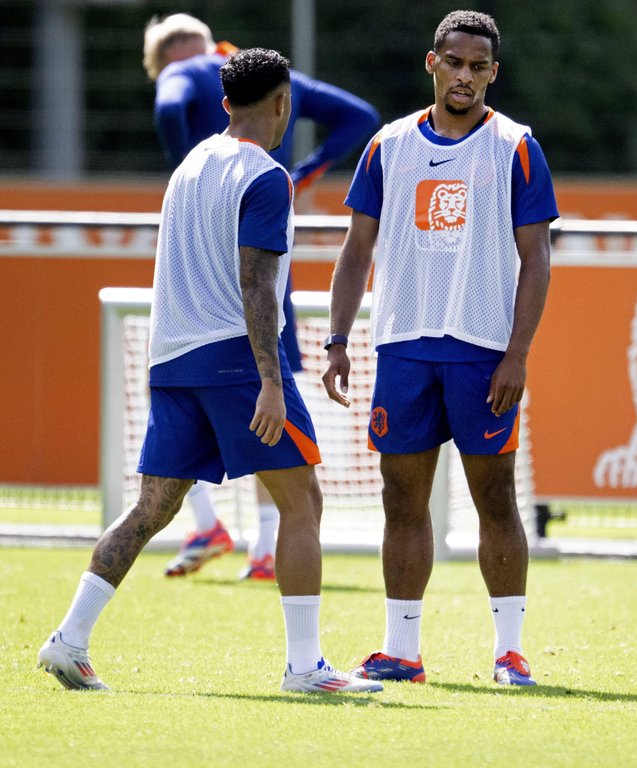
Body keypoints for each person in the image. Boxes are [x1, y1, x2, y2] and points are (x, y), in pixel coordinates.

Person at [37, 49, 380, 694]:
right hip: (236, 364)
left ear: (225, 104)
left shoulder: (188, 167)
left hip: (172, 359)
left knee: (150, 510)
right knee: (302, 500)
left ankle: (69, 639)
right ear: (284, 104)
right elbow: (256, 284)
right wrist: (272, 381)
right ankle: (305, 667)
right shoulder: (267, 176)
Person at [323, 10, 556, 687]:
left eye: (478, 67)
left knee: (495, 498)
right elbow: (355, 250)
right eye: (454, 63)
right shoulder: (387, 145)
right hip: (402, 345)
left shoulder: (515, 145)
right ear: (433, 63)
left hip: (483, 350)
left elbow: (537, 258)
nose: (465, 76)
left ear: (493, 73)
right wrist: (338, 339)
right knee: (401, 499)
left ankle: (509, 651)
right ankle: (402, 651)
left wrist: (517, 353)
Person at [143, 13, 381, 582]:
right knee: (283, 451)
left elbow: (169, 108)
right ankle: (266, 555)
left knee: (155, 497)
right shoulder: (262, 91)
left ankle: (205, 528)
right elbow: (360, 117)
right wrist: (304, 171)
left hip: (183, 326)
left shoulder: (185, 99)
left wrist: (183, 164)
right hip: (248, 306)